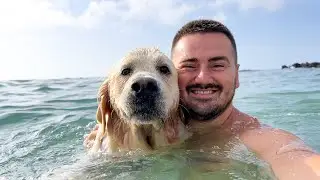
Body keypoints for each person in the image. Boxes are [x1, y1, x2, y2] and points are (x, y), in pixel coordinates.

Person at [84, 19, 320, 180]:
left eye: (217, 64)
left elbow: (299, 162)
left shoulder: (256, 138)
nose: (203, 77)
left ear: (237, 75)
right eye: (189, 66)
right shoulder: (108, 136)